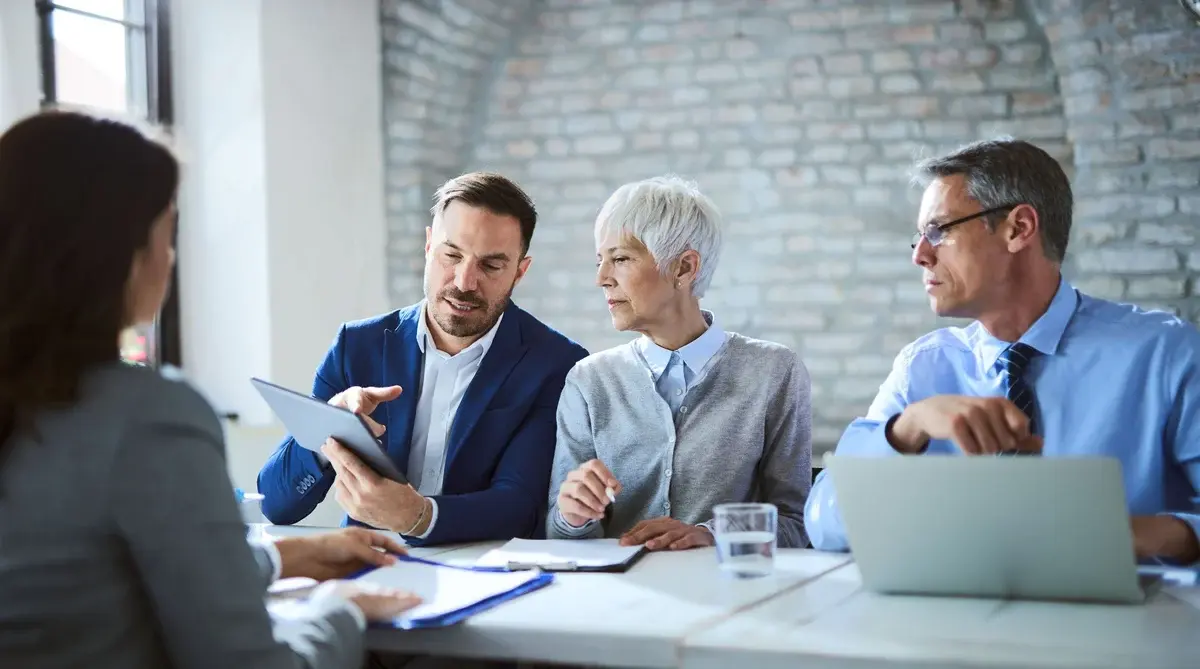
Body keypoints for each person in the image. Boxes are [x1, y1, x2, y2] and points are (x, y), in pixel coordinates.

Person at [0, 111, 420, 669]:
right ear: (123, 256)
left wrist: (291, 556)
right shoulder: (148, 417)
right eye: (167, 234)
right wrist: (338, 611)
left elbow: (91, 566)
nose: (170, 259)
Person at [804, 138, 1200, 564]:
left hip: (1126, 620)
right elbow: (824, 525)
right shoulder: (922, 369)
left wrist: (1121, 534)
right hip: (949, 619)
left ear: (1019, 228)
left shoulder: (1167, 354)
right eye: (918, 237)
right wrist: (908, 428)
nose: (920, 255)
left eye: (938, 230)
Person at [258, 172, 588, 546]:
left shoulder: (558, 365)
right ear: (429, 246)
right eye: (452, 255)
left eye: (491, 266)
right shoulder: (357, 345)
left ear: (520, 271)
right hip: (370, 569)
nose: (464, 281)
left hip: (485, 578)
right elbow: (276, 504)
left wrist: (418, 517)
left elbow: (519, 504)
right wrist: (328, 427)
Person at [547, 175, 813, 551]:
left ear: (685, 268)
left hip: (732, 596)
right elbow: (558, 538)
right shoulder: (589, 381)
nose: (601, 279)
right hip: (617, 599)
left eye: (620, 259)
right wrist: (571, 518)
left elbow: (798, 524)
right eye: (599, 261)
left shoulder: (774, 372)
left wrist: (713, 534)